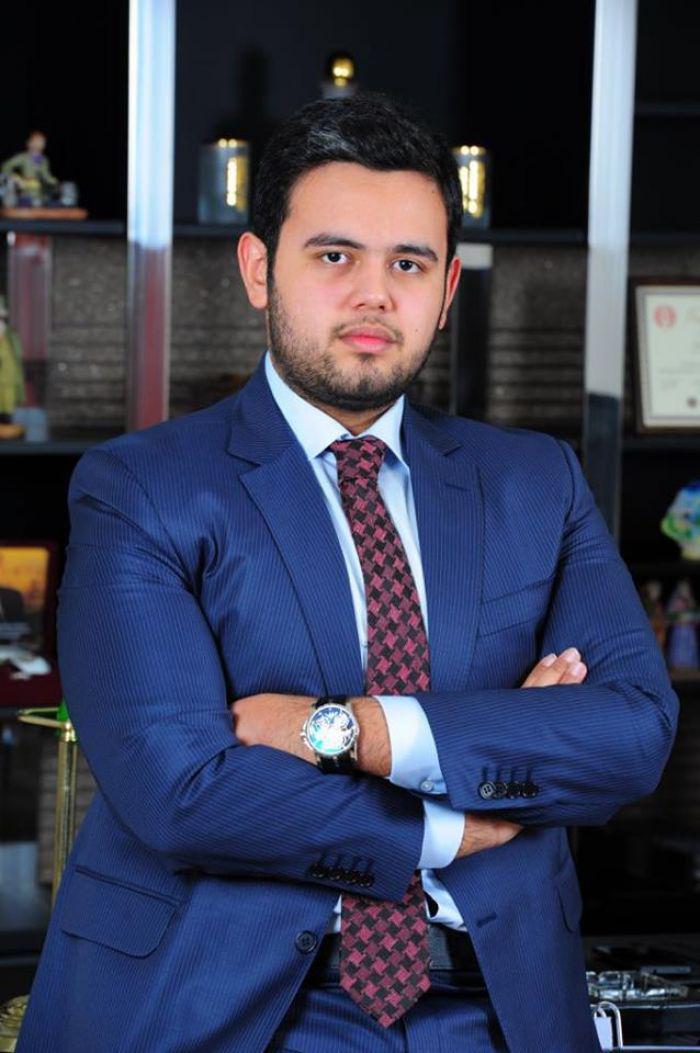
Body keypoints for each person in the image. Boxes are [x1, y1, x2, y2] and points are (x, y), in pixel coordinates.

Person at [17, 93, 678, 1053]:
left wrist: (347, 729)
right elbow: (182, 791)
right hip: (234, 1002)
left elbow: (633, 733)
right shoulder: (143, 489)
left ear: (447, 288)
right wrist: (458, 816)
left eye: (408, 263)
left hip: (497, 999)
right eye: (335, 256)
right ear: (259, 269)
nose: (374, 295)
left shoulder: (538, 482)